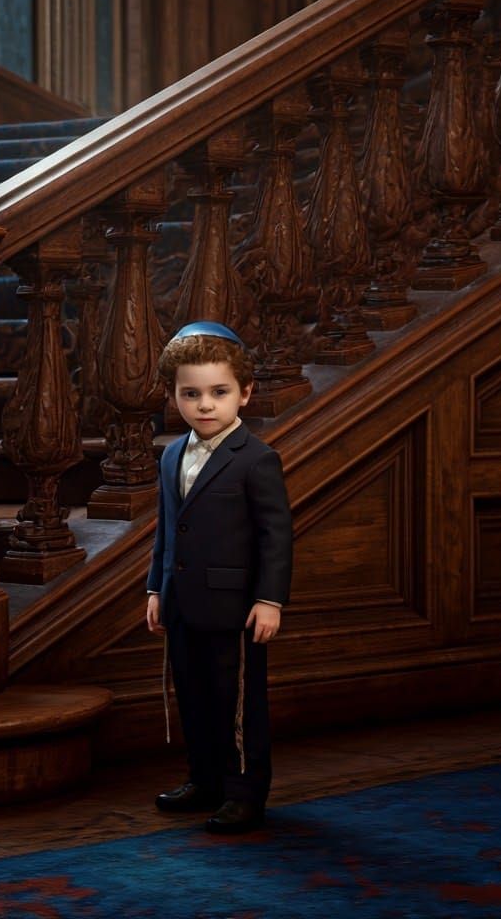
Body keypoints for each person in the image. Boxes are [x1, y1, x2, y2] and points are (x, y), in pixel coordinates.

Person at [146, 320, 293, 834]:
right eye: (191, 394)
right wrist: (155, 587)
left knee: (237, 704)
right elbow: (167, 527)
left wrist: (270, 600)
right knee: (193, 696)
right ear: (174, 396)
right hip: (182, 601)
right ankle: (204, 780)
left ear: (244, 393)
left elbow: (276, 536)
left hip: (235, 608)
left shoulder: (257, 459)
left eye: (219, 392)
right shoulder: (171, 455)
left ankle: (245, 793)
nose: (204, 405)